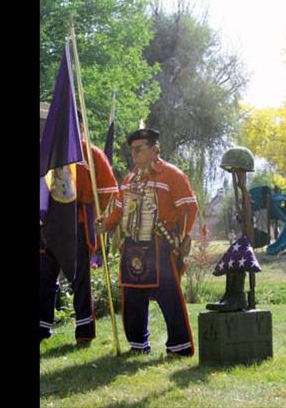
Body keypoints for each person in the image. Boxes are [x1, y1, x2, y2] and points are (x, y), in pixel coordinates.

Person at [96, 128, 198, 357]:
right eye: (132, 150)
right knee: (132, 296)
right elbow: (121, 208)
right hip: (132, 246)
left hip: (161, 245)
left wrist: (184, 236)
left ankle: (179, 347)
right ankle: (138, 345)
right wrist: (107, 223)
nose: (134, 154)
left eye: (139, 149)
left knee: (168, 295)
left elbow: (188, 207)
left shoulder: (172, 174)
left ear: (155, 149)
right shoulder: (131, 178)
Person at [40, 115, 118, 345]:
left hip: (78, 225)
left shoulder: (91, 153)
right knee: (44, 277)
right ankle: (42, 327)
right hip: (49, 227)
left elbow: (108, 188)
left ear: (80, 127)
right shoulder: (47, 151)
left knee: (80, 279)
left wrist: (93, 209)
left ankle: (84, 331)